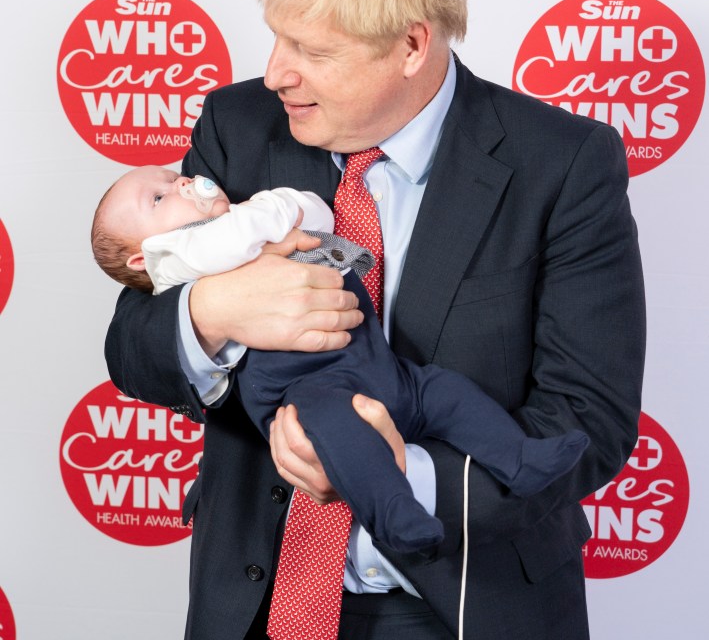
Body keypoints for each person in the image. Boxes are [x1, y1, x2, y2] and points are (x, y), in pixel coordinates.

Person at [103, 0, 645, 640]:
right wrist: (218, 309)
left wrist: (402, 479)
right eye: (275, 38)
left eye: (312, 52)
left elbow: (587, 425)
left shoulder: (563, 163)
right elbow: (134, 346)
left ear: (411, 43)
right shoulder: (238, 129)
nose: (277, 72)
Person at [92, 166, 589, 553]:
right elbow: (223, 248)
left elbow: (316, 214)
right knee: (344, 434)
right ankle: (394, 512)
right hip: (309, 390)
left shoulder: (231, 220)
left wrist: (277, 210)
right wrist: (224, 286)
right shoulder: (174, 258)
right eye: (158, 198)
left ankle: (518, 458)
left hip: (378, 364)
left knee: (445, 392)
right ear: (142, 257)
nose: (180, 182)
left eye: (170, 176)